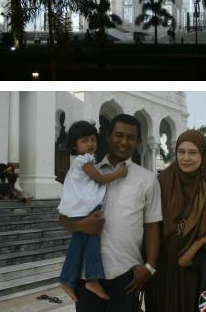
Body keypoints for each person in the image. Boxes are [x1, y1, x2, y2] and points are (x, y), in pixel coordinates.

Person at [57, 114, 162, 311]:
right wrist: (80, 225)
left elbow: (153, 225)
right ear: (107, 136)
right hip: (86, 275)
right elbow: (63, 218)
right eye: (119, 135)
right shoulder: (84, 173)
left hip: (126, 274)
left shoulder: (147, 180)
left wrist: (149, 268)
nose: (124, 142)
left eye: (131, 137)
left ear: (138, 141)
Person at [145, 129, 206, 312]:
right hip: (161, 267)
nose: (186, 158)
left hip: (193, 268)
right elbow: (146, 224)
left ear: (202, 155)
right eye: (181, 152)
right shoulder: (160, 182)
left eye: (192, 152)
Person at [58, 120, 129, 302]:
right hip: (85, 207)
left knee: (77, 243)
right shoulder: (84, 161)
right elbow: (100, 179)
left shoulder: (81, 162)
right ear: (75, 145)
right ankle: (92, 277)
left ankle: (67, 278)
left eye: (92, 139)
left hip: (76, 208)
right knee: (92, 240)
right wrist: (119, 174)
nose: (90, 144)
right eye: (84, 141)